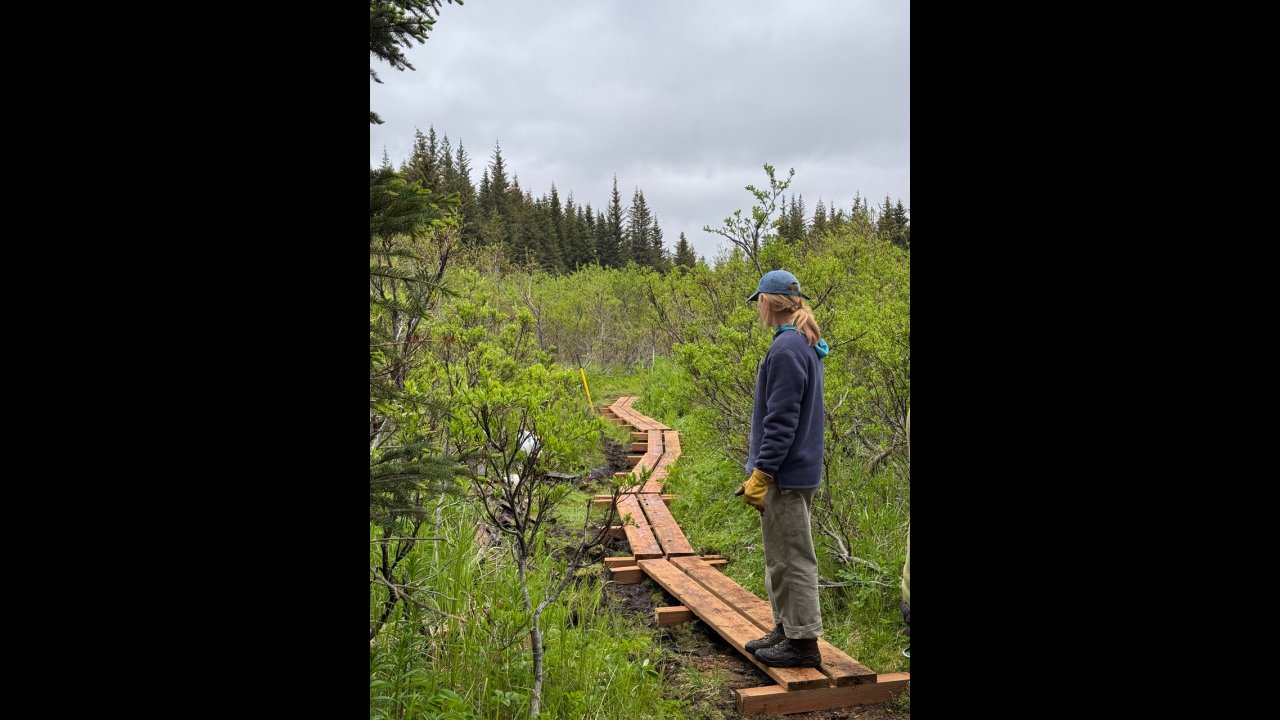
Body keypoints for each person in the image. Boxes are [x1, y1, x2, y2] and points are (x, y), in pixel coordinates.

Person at [738, 269, 830, 668]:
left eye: (758, 301)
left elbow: (781, 422)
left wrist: (762, 473)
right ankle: (786, 627)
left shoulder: (788, 349)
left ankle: (803, 643)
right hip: (791, 471)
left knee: (793, 557)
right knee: (781, 555)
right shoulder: (798, 344)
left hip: (786, 475)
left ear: (766, 302)